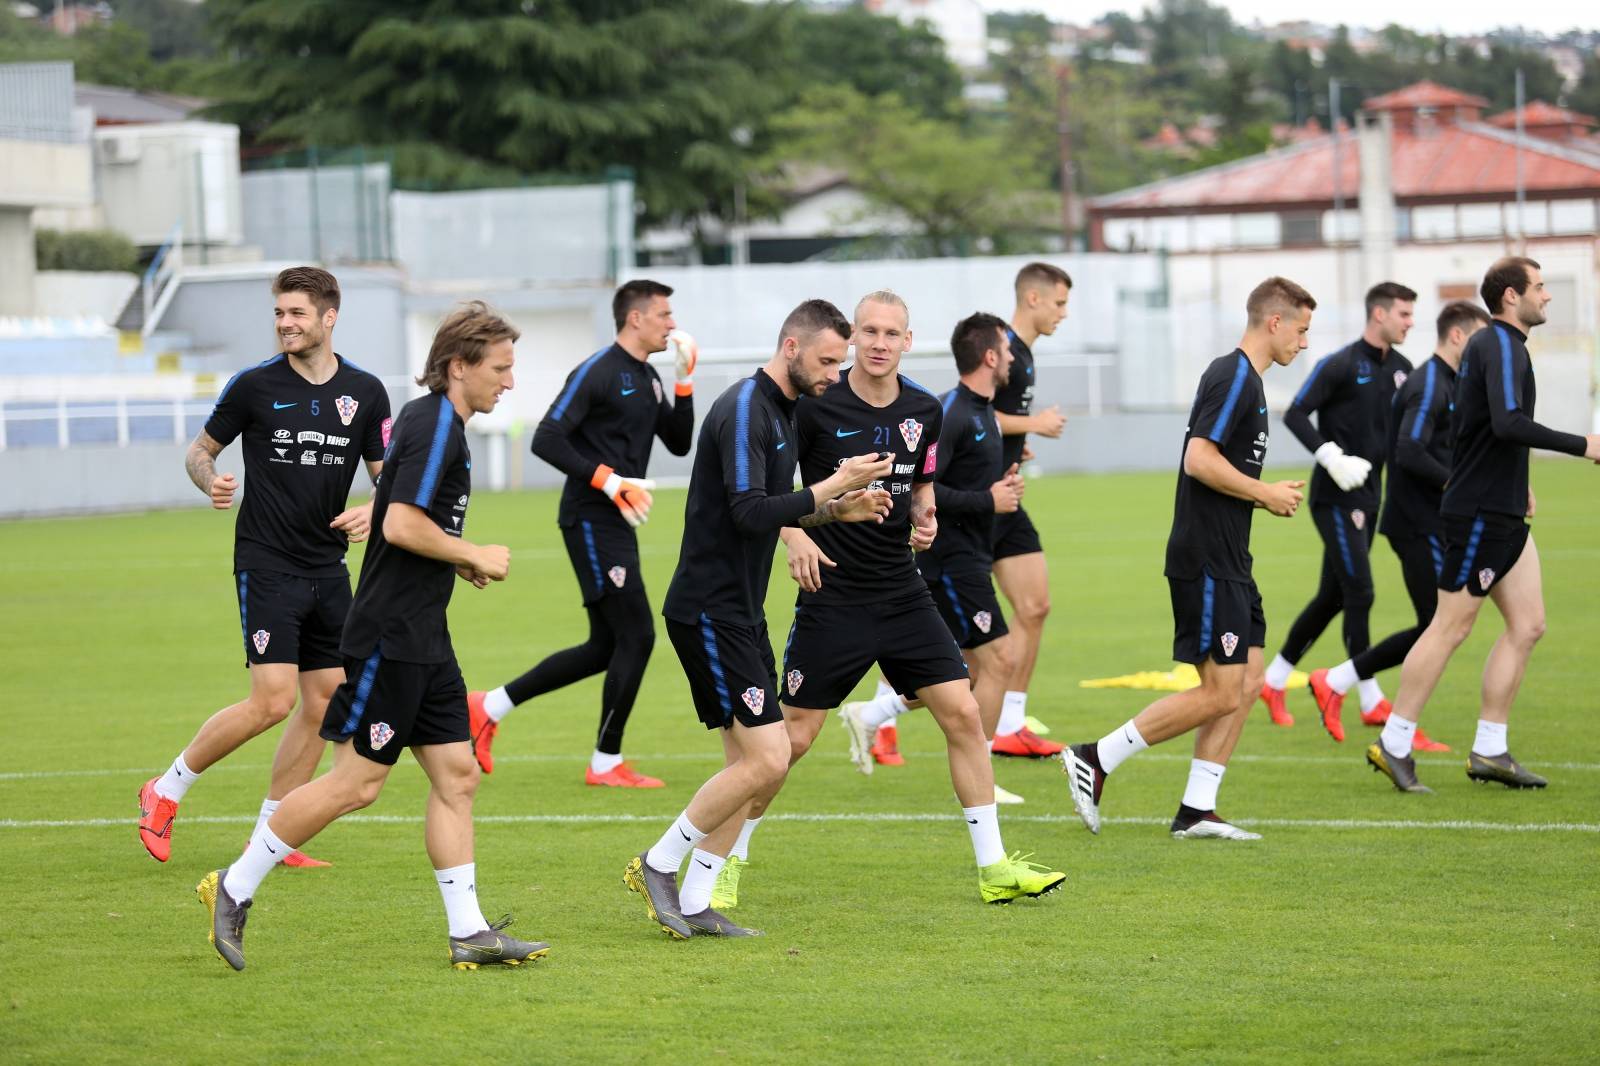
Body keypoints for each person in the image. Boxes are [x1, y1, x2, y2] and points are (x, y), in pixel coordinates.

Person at [196, 302, 547, 971]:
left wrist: (451, 557)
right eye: (500, 368)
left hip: (425, 634)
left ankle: (470, 931)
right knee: (356, 785)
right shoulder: (436, 424)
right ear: (458, 366)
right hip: (392, 635)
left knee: (457, 775)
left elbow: (396, 514)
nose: (508, 381)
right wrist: (470, 553)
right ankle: (233, 887)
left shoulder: (428, 420)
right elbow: (399, 526)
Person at [707, 291, 1066, 910]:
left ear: (907, 340)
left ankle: (994, 867)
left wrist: (925, 519)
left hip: (904, 592)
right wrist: (793, 536)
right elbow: (773, 491)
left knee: (963, 715)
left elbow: (923, 484)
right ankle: (725, 862)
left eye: (890, 333)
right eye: (868, 331)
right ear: (853, 340)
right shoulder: (816, 402)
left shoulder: (925, 409)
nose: (878, 342)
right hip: (832, 597)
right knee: (790, 742)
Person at [623, 299, 895, 939]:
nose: (836, 373)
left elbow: (777, 508)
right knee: (770, 759)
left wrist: (837, 512)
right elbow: (750, 512)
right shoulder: (746, 407)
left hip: (739, 610)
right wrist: (836, 483)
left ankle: (695, 900)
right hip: (709, 610)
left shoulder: (785, 410)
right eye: (829, 360)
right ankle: (659, 863)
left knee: (747, 764)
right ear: (792, 348)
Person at [137, 267, 389, 867]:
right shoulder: (253, 386)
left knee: (327, 702)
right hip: (267, 563)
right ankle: (164, 790)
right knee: (273, 700)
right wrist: (211, 482)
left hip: (328, 568)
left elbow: (389, 482)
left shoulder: (367, 392)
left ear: (329, 317)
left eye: (296, 313)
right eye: (279, 313)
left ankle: (273, 834)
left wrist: (371, 511)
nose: (285, 324)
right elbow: (200, 451)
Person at [1061, 277, 1314, 840]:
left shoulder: (1250, 382)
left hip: (1231, 558)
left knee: (1245, 682)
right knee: (1222, 689)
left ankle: (1197, 808)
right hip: (1206, 559)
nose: (1304, 342)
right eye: (1300, 329)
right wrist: (1265, 492)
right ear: (1274, 322)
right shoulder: (1234, 377)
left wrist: (1260, 492)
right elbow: (1198, 459)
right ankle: (1096, 756)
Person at [1366, 258, 1600, 793]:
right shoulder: (1497, 344)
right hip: (1479, 515)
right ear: (1512, 296)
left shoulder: (1503, 346)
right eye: (1540, 287)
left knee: (1529, 624)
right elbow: (1508, 423)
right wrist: (1584, 445)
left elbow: (1481, 432)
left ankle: (1490, 750)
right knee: (1450, 626)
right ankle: (1395, 742)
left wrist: (1517, 484)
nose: (1547, 296)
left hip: (1502, 508)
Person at [468, 280, 694, 788]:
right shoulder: (598, 371)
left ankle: (488, 706)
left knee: (606, 646)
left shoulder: (649, 377)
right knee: (637, 635)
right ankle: (605, 763)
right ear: (635, 318)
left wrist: (684, 381)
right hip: (590, 521)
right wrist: (611, 482)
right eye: (664, 314)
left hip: (616, 523)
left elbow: (679, 444)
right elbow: (547, 438)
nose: (672, 324)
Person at [866, 263, 1072, 766]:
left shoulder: (994, 387)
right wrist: (1031, 430)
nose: (1065, 314)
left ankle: (995, 723)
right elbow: (933, 478)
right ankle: (899, 722)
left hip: (988, 513)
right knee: (976, 657)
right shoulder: (963, 401)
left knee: (1000, 635)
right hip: (963, 530)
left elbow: (981, 430)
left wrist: (1008, 456)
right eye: (1060, 303)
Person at [1307, 302, 1490, 736]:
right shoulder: (1427, 384)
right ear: (1459, 336)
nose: (1488, 351)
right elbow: (1408, 450)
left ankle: (1345, 688)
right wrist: (1456, 484)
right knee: (1432, 622)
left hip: (1430, 519)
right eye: (1482, 340)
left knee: (1440, 623)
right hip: (1414, 522)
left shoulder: (1443, 380)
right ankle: (1380, 716)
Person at [1260, 282, 1418, 738]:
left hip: (1372, 497)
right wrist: (1329, 455)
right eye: (1404, 315)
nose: (1410, 323)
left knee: (1333, 596)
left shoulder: (1405, 371)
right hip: (1334, 498)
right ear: (1379, 315)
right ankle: (1365, 695)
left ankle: (1273, 682)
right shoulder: (1341, 365)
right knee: (1361, 592)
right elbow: (1294, 413)